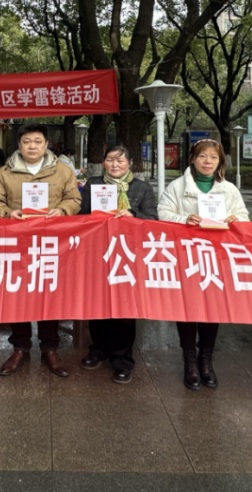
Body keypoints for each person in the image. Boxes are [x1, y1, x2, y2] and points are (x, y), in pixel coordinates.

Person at [0, 123, 82, 377]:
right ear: (19, 145)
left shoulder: (62, 171)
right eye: (27, 141)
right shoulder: (5, 172)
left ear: (46, 144)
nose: (32, 146)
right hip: (17, 242)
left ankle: (50, 349)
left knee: (49, 294)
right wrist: (7, 212)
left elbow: (74, 198)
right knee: (17, 294)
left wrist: (62, 210)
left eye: (37, 141)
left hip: (51, 242)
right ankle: (20, 348)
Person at [158, 139, 249, 390]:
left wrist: (235, 220)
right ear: (192, 159)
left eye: (213, 157)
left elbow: (244, 217)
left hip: (217, 257)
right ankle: (189, 359)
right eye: (202, 156)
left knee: (213, 307)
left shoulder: (229, 189)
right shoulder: (177, 186)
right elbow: (163, 213)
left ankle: (206, 358)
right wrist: (184, 219)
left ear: (220, 161)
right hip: (186, 255)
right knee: (188, 307)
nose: (207, 162)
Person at [79, 144, 158, 384]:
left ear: (130, 164)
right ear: (103, 162)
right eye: (111, 160)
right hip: (97, 252)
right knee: (97, 303)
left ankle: (122, 358)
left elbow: (153, 219)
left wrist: (132, 215)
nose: (115, 164)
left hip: (128, 254)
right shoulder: (93, 184)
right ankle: (98, 350)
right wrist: (94, 217)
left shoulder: (142, 187)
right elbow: (79, 216)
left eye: (120, 161)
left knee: (124, 307)